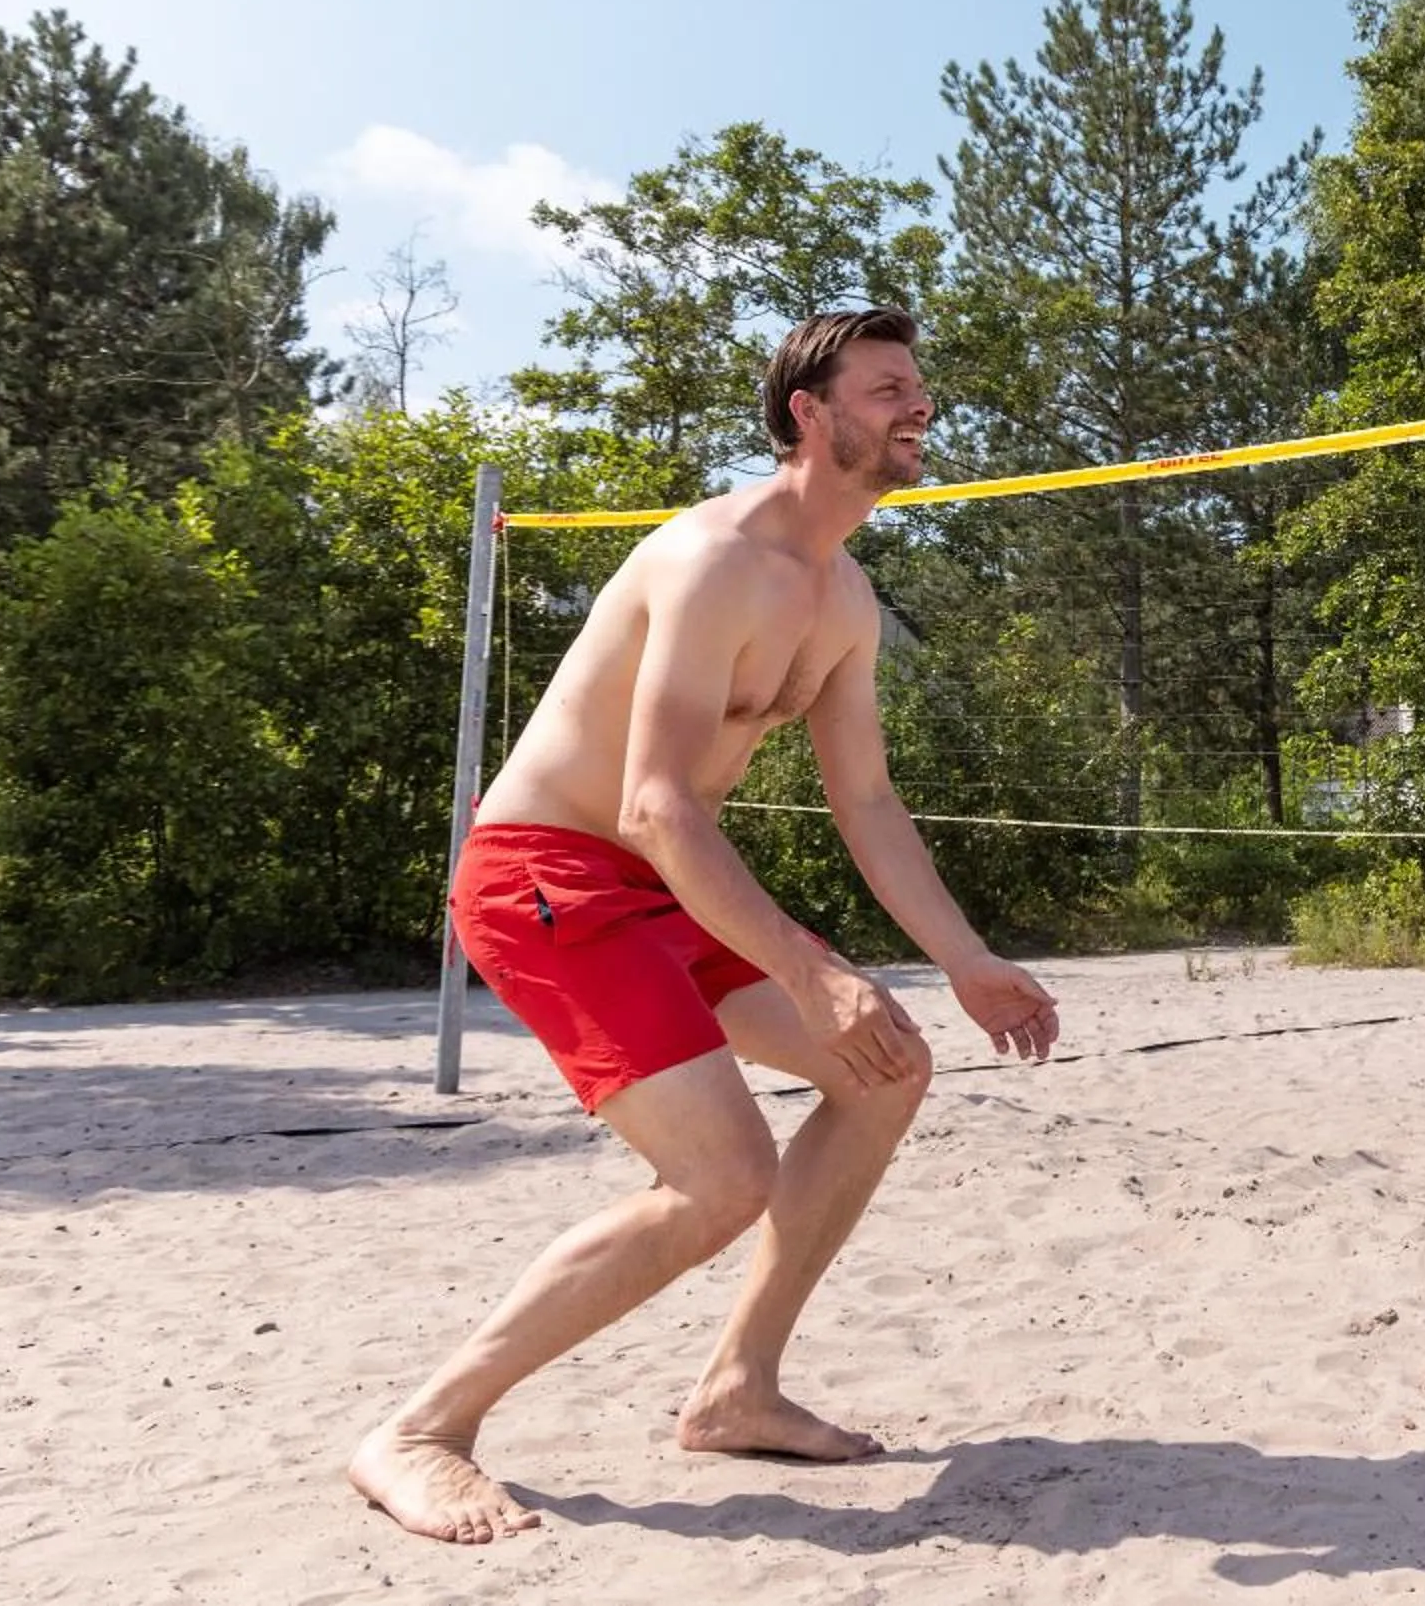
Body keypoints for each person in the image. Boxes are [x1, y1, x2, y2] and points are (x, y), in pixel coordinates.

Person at [348, 307, 1061, 1547]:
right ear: (811, 412)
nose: (919, 407)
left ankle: (737, 1388)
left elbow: (871, 802)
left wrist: (969, 962)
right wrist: (810, 965)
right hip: (549, 875)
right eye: (889, 387)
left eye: (920, 387)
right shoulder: (714, 558)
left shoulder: (846, 596)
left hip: (667, 884)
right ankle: (420, 1429)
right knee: (723, 1175)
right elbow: (654, 801)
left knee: (888, 1072)